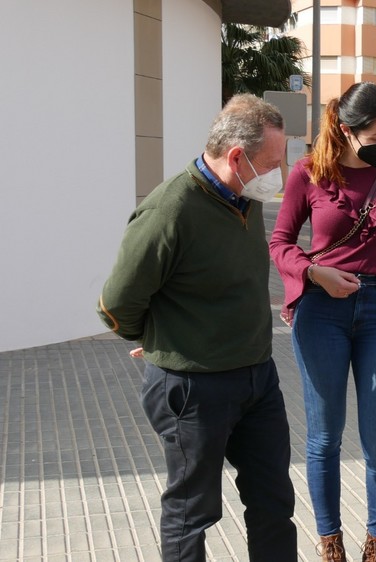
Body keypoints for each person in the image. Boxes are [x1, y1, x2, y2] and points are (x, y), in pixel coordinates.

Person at [97, 94, 296, 561]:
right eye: (271, 163)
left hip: (257, 379)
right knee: (192, 512)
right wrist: (159, 339)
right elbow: (118, 303)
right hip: (193, 388)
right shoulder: (170, 211)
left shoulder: (243, 199)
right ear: (235, 157)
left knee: (273, 503)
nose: (278, 176)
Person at [269, 82, 376, 562]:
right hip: (322, 311)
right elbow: (280, 242)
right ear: (347, 131)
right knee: (325, 437)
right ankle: (331, 544)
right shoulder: (307, 173)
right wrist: (312, 274)